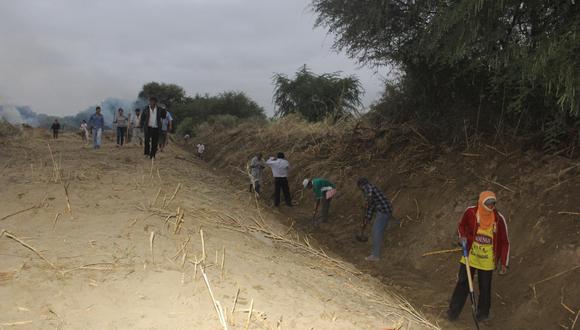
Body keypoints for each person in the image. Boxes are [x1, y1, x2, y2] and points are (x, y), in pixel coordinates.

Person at [447, 191, 510, 322]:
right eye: (488, 203)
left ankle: (483, 315)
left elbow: (505, 242)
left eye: (493, 203)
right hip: (469, 255)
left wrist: (504, 262)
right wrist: (462, 237)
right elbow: (461, 226)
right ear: (481, 202)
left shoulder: (498, 219)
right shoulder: (470, 213)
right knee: (463, 284)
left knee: (485, 288)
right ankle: (453, 313)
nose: (491, 206)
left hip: (487, 260)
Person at [357, 177, 393, 262]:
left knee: (376, 231)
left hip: (383, 211)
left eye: (360, 188)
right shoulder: (372, 193)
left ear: (361, 185)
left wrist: (366, 201)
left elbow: (369, 192)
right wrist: (366, 220)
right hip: (383, 211)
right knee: (375, 231)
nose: (362, 190)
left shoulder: (369, 187)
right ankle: (375, 253)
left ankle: (375, 256)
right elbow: (370, 208)